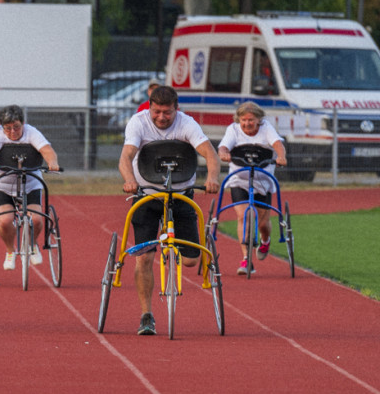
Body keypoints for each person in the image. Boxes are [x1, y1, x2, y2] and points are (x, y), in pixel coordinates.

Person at [118, 85, 221, 336]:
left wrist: (212, 178)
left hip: (181, 194)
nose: (161, 117)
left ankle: (171, 243)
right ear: (150, 107)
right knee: (144, 256)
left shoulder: (187, 124)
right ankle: (146, 315)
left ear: (176, 109)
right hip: (147, 195)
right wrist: (129, 179)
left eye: (167, 112)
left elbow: (209, 153)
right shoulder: (138, 123)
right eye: (156, 111)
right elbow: (126, 155)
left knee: (191, 261)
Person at [0, 104, 60, 271]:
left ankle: (32, 244)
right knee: (6, 221)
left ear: (23, 124)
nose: (12, 132)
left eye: (16, 127)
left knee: (36, 219)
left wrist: (52, 162)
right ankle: (10, 251)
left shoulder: (32, 132)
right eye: (8, 128)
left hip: (30, 183)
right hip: (2, 184)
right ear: (2, 127)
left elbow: (47, 150)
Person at [218, 102, 287, 275]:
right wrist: (224, 153)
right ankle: (246, 259)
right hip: (239, 179)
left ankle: (265, 240)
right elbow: (223, 146)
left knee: (263, 223)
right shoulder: (233, 130)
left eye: (251, 120)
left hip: (262, 180)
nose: (247, 123)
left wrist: (281, 156)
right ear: (238, 120)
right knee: (244, 216)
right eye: (244, 120)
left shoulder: (266, 128)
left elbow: (277, 143)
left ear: (259, 120)